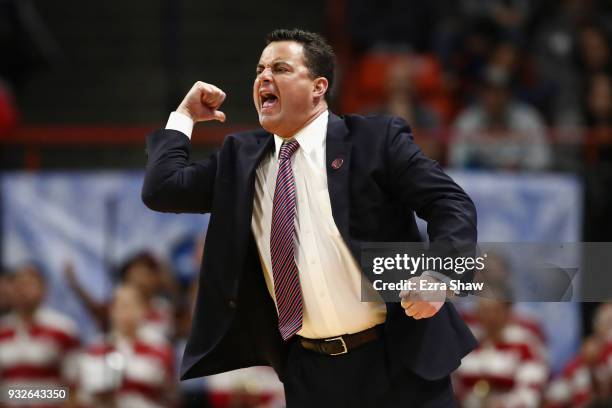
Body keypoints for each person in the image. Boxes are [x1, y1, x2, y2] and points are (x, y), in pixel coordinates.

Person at [142, 28, 478, 406]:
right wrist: (183, 116)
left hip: (397, 359)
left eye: (281, 68)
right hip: (310, 372)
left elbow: (451, 203)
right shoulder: (240, 157)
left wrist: (438, 274)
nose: (264, 77)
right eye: (260, 69)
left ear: (318, 87)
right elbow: (161, 190)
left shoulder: (373, 140)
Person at [77, 284, 175, 408]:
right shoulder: (97, 349)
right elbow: (84, 397)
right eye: (121, 306)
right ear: (112, 311)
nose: (126, 312)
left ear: (143, 309)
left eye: (131, 306)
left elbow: (170, 393)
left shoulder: (160, 349)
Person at [0, 263, 81, 406]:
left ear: (44, 289)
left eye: (29, 284)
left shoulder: (64, 330)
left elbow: (73, 388)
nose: (22, 291)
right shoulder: (3, 330)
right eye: (17, 285)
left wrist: (27, 395)